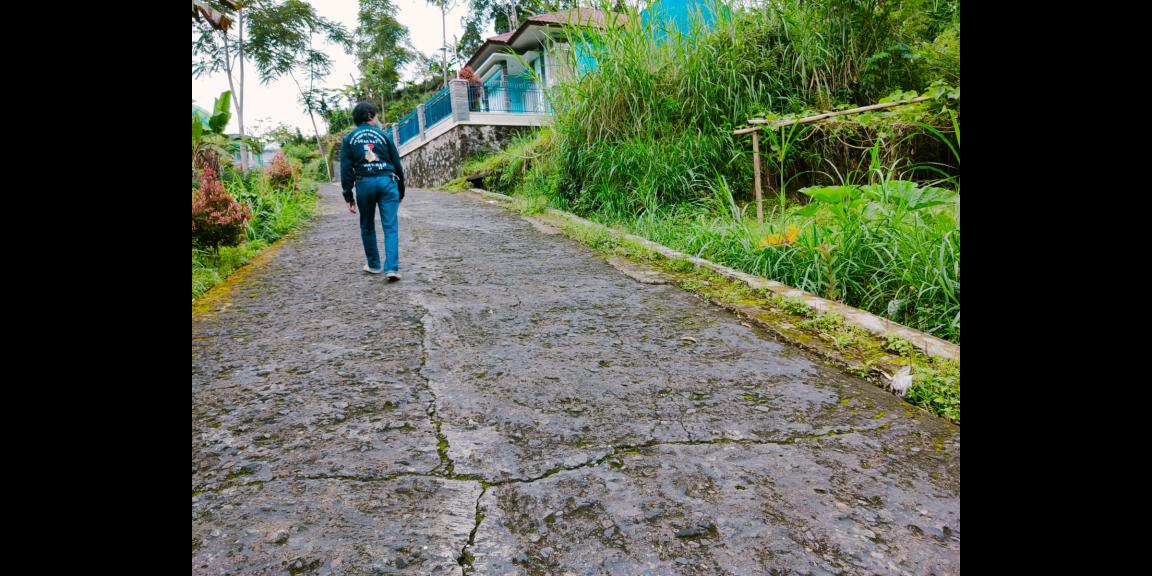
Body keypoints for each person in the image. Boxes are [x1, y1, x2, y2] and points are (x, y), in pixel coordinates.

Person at [340, 102, 406, 281]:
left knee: (367, 225)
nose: (378, 119)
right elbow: (397, 164)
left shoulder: (348, 139)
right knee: (390, 227)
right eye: (376, 116)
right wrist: (401, 191)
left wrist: (348, 195)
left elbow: (346, 170)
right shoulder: (384, 136)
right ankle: (392, 268)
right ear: (370, 116)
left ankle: (374, 265)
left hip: (364, 184)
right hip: (387, 181)